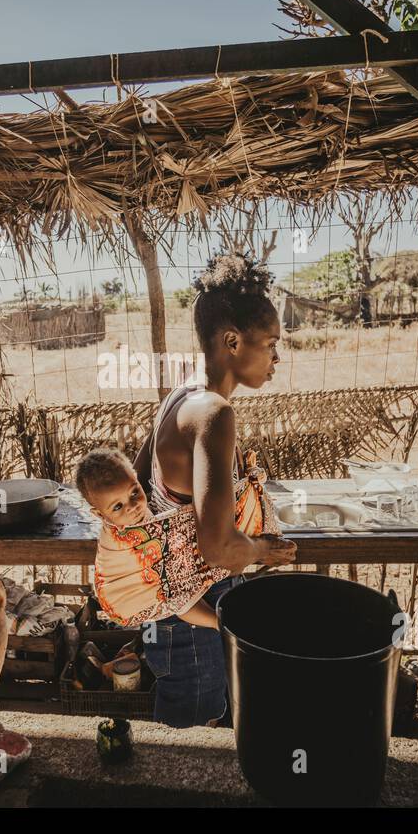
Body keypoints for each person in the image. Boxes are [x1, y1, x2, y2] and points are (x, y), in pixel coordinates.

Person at [129, 253, 298, 727]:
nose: (276, 358)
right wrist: (264, 550)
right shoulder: (215, 415)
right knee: (192, 741)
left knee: (191, 731)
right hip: (192, 612)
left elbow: (139, 480)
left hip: (173, 602)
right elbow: (219, 547)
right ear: (231, 341)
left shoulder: (180, 397)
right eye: (270, 343)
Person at [75, 447, 278, 631]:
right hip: (159, 608)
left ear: (136, 478)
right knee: (176, 594)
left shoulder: (144, 509)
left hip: (172, 605)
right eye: (117, 507)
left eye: (134, 492)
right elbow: (171, 590)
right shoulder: (127, 538)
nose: (132, 506)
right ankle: (218, 623)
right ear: (99, 515)